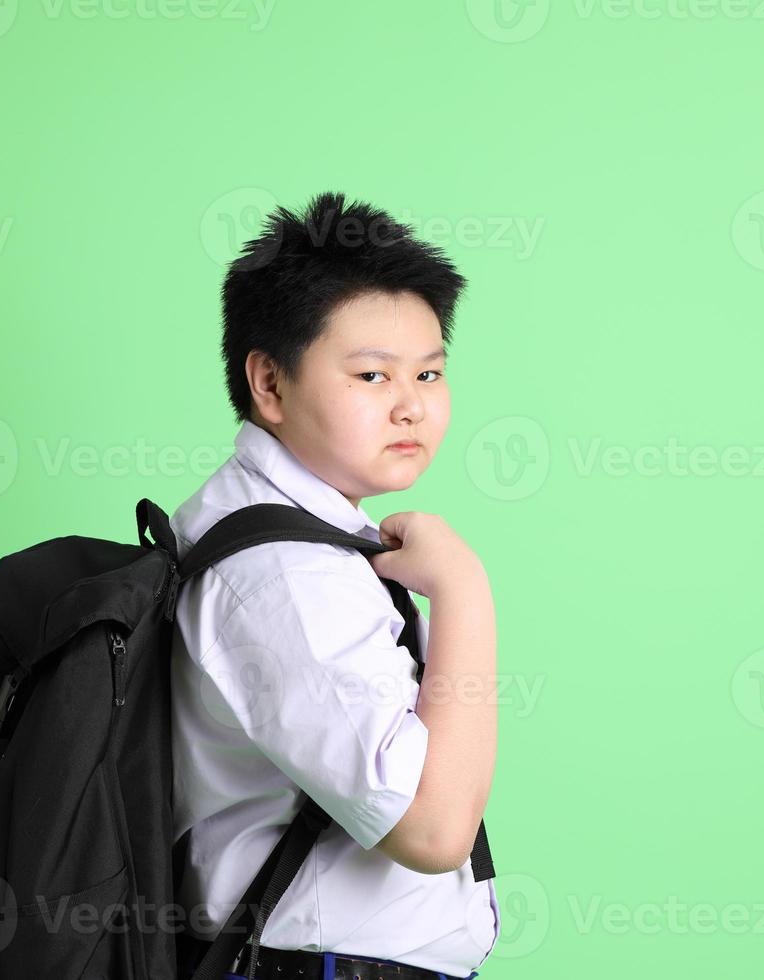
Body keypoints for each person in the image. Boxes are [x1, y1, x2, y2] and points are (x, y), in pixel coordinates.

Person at [171, 191, 500, 980]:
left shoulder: (295, 539)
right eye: (372, 375)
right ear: (271, 385)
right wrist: (464, 592)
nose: (412, 405)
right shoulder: (283, 579)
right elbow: (430, 831)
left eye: (428, 371)